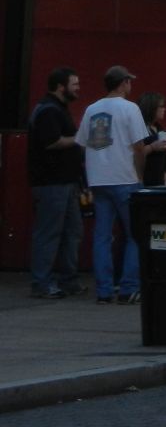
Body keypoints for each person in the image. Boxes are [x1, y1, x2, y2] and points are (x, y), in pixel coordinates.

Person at [74, 65, 148, 304]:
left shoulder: (91, 109)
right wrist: (140, 174)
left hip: (98, 178)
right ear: (123, 83)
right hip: (125, 177)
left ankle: (104, 291)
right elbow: (139, 146)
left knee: (102, 236)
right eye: (129, 81)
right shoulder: (130, 108)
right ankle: (128, 287)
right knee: (135, 234)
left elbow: (82, 143)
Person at [27, 67, 84, 299]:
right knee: (50, 233)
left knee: (72, 231)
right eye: (74, 84)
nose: (78, 88)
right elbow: (51, 142)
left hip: (64, 181)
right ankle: (42, 283)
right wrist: (80, 139)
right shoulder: (49, 111)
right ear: (61, 87)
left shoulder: (54, 109)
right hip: (52, 182)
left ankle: (67, 280)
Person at [137, 90, 166, 187]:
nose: (164, 109)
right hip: (143, 182)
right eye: (161, 106)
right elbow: (135, 154)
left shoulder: (159, 129)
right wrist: (152, 147)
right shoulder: (139, 127)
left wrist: (165, 181)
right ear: (152, 108)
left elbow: (164, 159)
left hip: (158, 182)